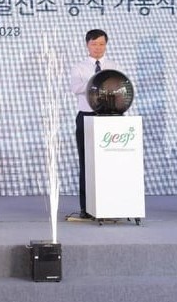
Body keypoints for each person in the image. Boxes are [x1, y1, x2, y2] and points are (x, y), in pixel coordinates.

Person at [69, 29, 121, 219]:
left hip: (109, 118)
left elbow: (120, 88)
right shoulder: (79, 67)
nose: (98, 48)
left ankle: (111, 204)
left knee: (109, 162)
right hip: (87, 117)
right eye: (94, 44)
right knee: (87, 162)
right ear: (87, 45)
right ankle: (86, 207)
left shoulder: (114, 66)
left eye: (101, 44)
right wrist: (97, 81)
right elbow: (75, 88)